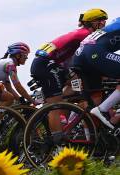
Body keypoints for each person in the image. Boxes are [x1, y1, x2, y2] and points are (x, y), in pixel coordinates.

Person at [30, 8, 107, 144]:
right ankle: (58, 141)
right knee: (55, 105)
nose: (104, 24)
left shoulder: (81, 32)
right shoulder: (85, 35)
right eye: (101, 21)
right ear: (93, 23)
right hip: (47, 63)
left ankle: (65, 115)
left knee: (76, 87)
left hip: (50, 63)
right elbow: (91, 57)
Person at [74, 16, 120, 129]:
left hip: (81, 56)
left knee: (96, 97)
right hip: (94, 51)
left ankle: (92, 137)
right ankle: (102, 109)